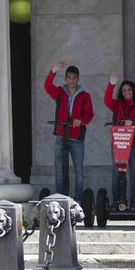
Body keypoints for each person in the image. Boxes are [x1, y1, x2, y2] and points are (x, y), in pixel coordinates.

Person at [44, 60, 93, 202]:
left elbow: (89, 114)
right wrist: (53, 71)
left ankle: (77, 201)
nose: (71, 80)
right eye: (69, 77)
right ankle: (61, 199)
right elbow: (47, 86)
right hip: (61, 136)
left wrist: (81, 121)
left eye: (74, 78)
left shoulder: (85, 96)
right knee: (59, 171)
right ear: (65, 78)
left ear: (77, 79)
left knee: (78, 171)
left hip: (77, 138)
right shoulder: (60, 93)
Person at [104, 75, 135, 210]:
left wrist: (133, 124)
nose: (127, 92)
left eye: (129, 90)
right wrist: (111, 85)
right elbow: (106, 101)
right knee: (117, 173)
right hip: (118, 145)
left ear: (133, 91)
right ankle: (117, 202)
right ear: (121, 93)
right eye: (124, 90)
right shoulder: (118, 105)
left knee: (134, 174)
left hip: (133, 145)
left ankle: (134, 202)